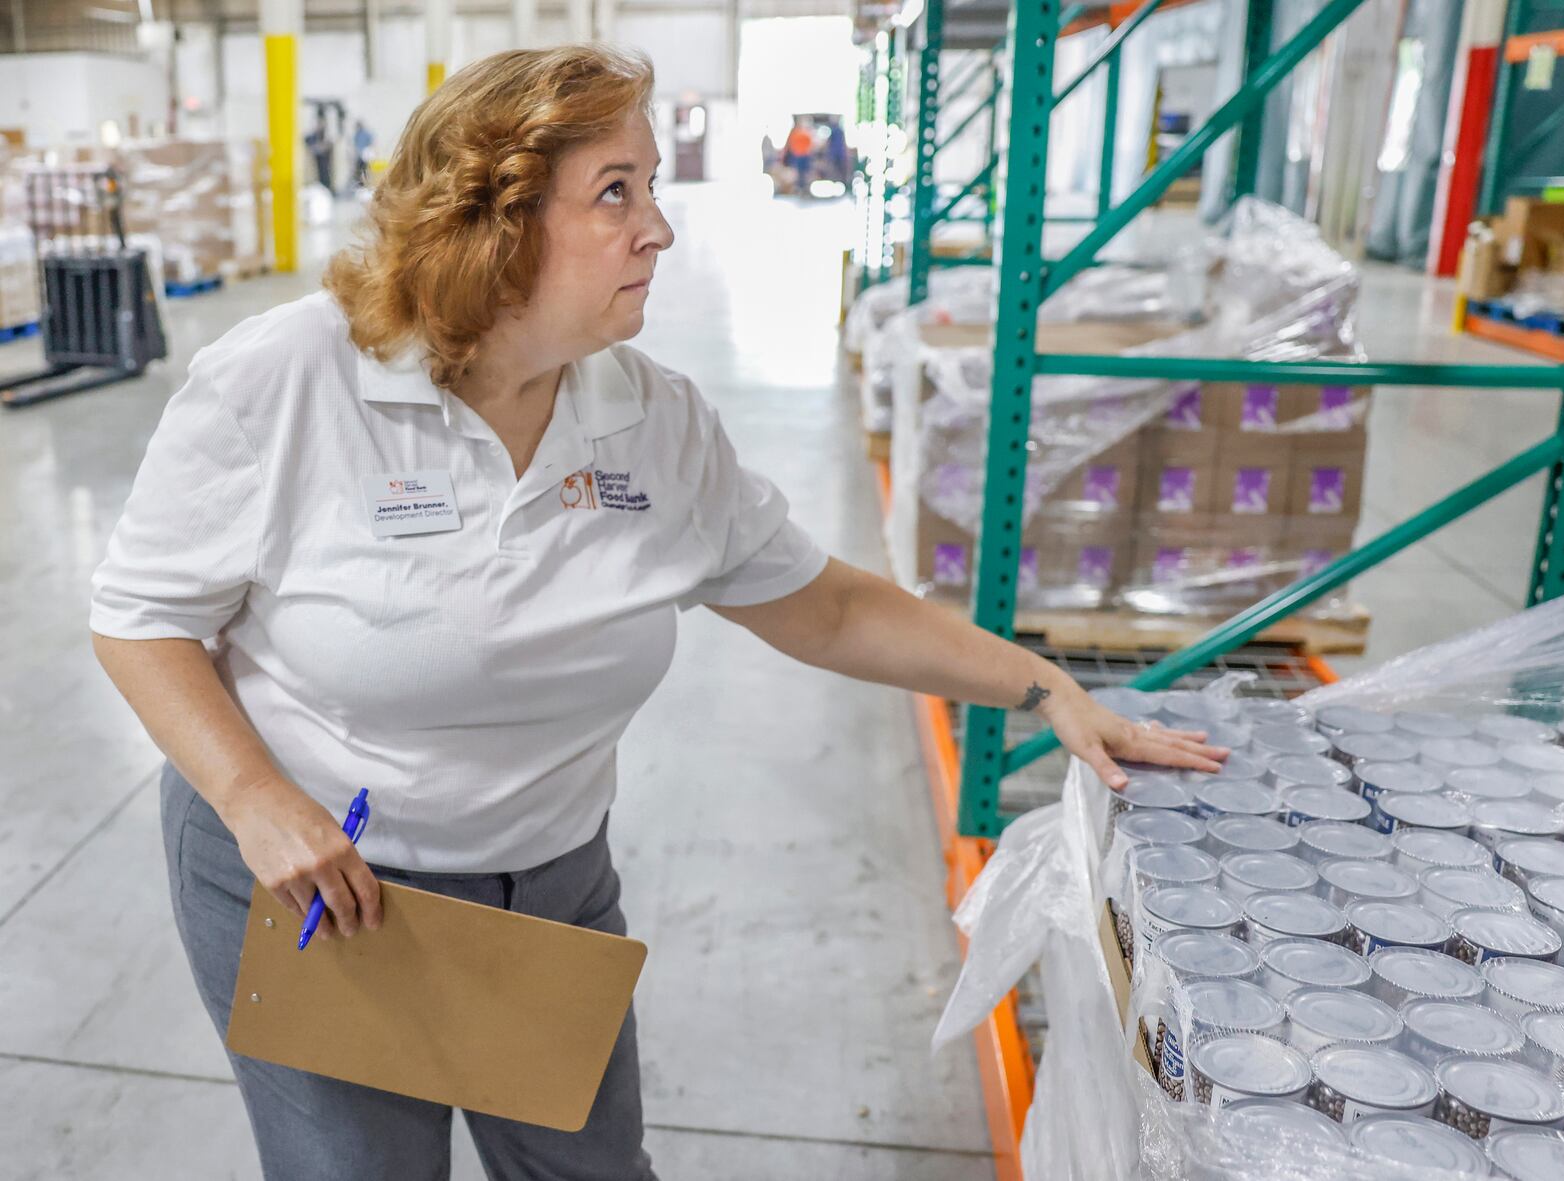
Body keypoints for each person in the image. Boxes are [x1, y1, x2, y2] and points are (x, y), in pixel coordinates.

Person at [89, 46, 1224, 1181]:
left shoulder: (651, 420)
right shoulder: (292, 378)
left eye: (653, 187)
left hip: (542, 881)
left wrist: (1046, 685)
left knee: (583, 1166)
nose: (659, 229)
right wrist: (252, 798)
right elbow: (139, 616)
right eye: (616, 193)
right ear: (495, 220)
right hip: (318, 883)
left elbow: (821, 605)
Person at [783, 116, 814, 196]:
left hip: (805, 156)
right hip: (798, 155)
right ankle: (799, 187)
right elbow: (791, 144)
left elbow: (810, 144)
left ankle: (805, 187)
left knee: (805, 173)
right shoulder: (796, 132)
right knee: (798, 173)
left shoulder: (807, 132)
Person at [351, 118, 375, 189]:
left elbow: (371, 143)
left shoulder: (366, 133)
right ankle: (360, 184)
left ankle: (367, 183)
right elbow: (355, 145)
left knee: (366, 170)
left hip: (366, 156)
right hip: (359, 156)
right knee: (359, 170)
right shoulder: (357, 135)